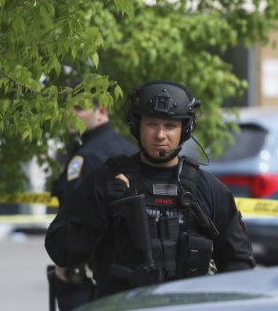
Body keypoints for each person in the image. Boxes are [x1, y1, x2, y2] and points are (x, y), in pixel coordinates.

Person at [45, 80, 255, 301]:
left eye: (170, 126)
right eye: (152, 124)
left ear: (185, 129)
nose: (160, 135)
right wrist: (101, 208)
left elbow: (239, 262)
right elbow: (60, 249)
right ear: (137, 125)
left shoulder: (206, 188)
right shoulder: (106, 179)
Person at [48, 94, 134, 311]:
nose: (70, 114)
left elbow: (77, 218)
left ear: (102, 110)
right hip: (126, 270)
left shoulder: (87, 155)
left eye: (78, 108)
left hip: (90, 273)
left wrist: (66, 268)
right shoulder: (127, 148)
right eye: (67, 108)